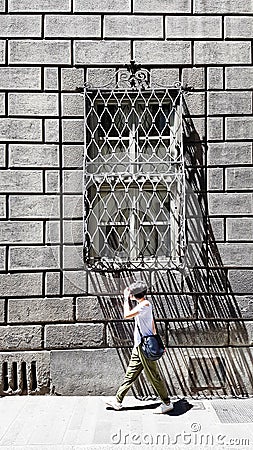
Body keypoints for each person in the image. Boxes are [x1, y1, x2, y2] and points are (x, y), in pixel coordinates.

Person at [106, 281, 173, 414]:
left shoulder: (144, 305)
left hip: (145, 347)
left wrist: (125, 299)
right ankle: (118, 401)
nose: (129, 294)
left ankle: (167, 403)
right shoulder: (143, 305)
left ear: (134, 295)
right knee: (130, 374)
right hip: (139, 346)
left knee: (154, 376)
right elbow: (152, 324)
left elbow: (126, 315)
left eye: (131, 292)